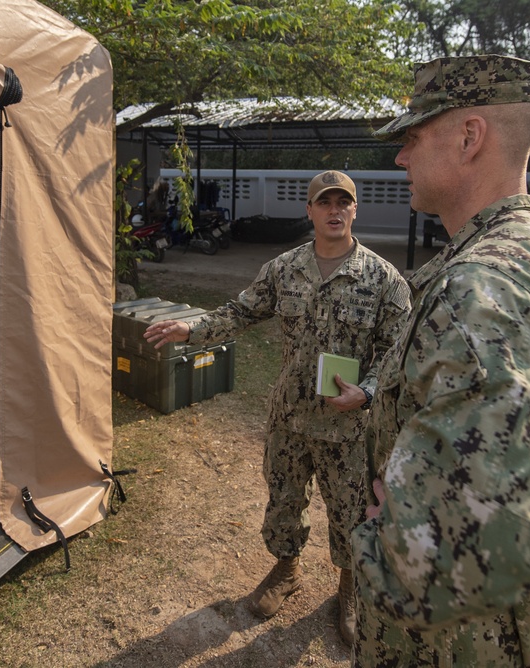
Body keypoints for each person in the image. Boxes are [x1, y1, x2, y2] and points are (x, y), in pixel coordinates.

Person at [351, 55, 530, 667]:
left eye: (413, 137)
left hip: (449, 644)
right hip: (518, 631)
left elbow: (466, 561)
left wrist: (383, 538)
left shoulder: (482, 287)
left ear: (469, 136)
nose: (400, 157)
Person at [144, 171, 411, 641]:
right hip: (289, 416)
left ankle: (349, 586)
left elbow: (397, 352)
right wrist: (192, 330)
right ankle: (286, 571)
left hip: (347, 424)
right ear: (308, 211)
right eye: (323, 202)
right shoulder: (283, 269)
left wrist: (366, 392)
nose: (333, 210)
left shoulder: (383, 279)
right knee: (285, 497)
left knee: (350, 510)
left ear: (354, 210)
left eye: (342, 203)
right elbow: (242, 312)